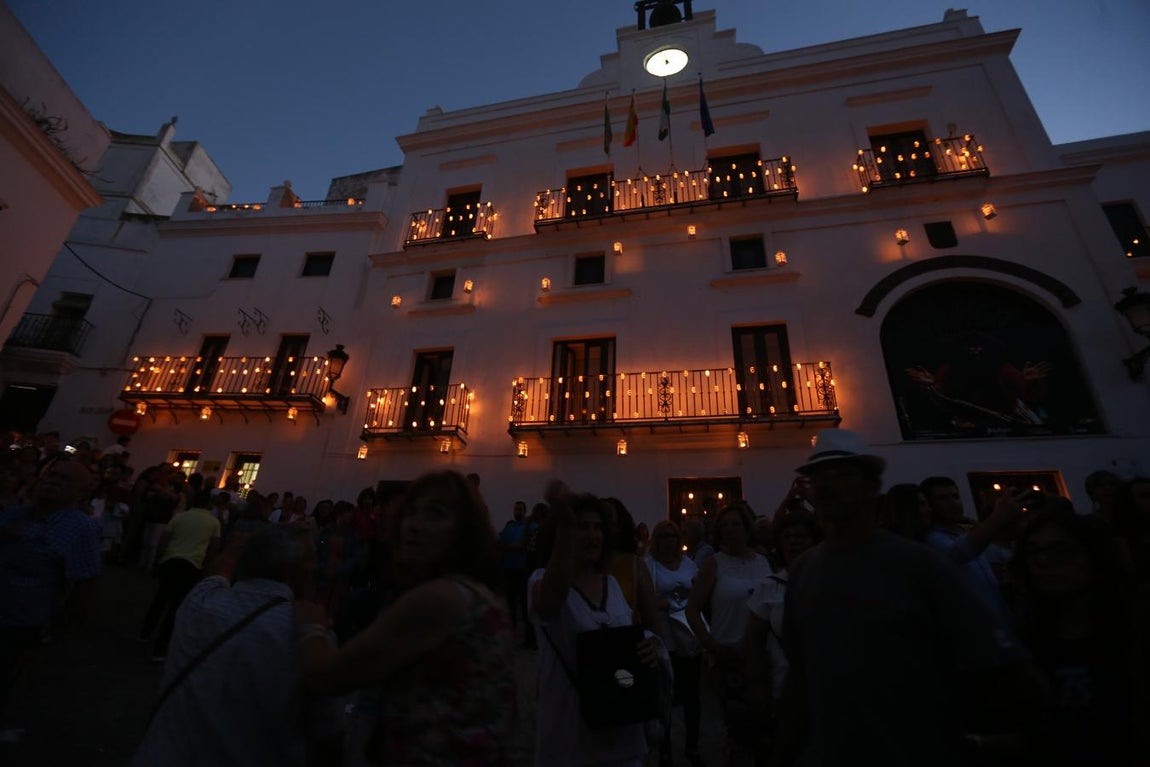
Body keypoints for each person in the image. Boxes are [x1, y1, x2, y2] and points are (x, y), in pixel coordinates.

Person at [776, 429, 1044, 766]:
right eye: (818, 476)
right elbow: (800, 676)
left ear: (872, 487)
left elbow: (1003, 667)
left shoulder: (919, 564)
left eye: (842, 474)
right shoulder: (802, 572)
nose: (827, 485)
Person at [297, 470, 516, 765]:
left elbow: (329, 677)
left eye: (435, 514)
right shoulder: (476, 593)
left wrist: (310, 626)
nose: (414, 525)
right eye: (411, 512)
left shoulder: (440, 598)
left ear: (465, 530)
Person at [133, 526, 343, 766]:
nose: (316, 567)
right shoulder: (309, 637)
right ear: (291, 571)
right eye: (312, 558)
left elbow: (219, 569)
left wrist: (236, 548)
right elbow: (328, 732)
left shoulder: (200, 601)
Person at [529, 481, 664, 767]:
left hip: (623, 732)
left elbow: (638, 632)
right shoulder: (540, 580)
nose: (592, 534)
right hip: (571, 739)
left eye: (598, 527)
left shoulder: (612, 585)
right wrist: (566, 522)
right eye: (582, 526)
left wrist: (652, 646)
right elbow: (551, 600)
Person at [1009, 507, 1142, 765]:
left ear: (1095, 557)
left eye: (1060, 549)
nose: (1044, 561)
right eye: (1034, 551)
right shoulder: (1024, 640)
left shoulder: (1136, 630)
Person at [0, 460, 100, 737]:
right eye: (51, 475)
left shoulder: (80, 528)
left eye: (65, 480)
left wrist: (54, 633)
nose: (53, 482)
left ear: (81, 492)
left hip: (21, 623)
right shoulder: (13, 514)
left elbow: (84, 584)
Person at [685, 500, 773, 766]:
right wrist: (710, 644)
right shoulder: (714, 564)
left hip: (763, 655)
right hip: (728, 655)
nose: (730, 530)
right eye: (724, 526)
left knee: (763, 727)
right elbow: (692, 610)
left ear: (747, 528)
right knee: (736, 731)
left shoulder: (763, 562)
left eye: (736, 524)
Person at [742, 511, 821, 763]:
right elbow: (753, 642)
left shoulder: (830, 580)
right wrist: (757, 688)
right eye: (787, 537)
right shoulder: (770, 586)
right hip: (783, 690)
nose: (793, 543)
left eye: (801, 537)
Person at [921, 475, 1019, 628]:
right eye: (943, 498)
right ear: (929, 505)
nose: (953, 503)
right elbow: (959, 552)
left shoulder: (967, 531)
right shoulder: (930, 538)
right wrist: (998, 517)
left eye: (955, 496)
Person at [139, 489, 221, 661]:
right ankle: (161, 647)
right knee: (176, 606)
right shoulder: (213, 522)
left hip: (170, 560)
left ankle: (146, 631)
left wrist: (158, 560)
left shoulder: (180, 517)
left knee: (160, 598)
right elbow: (213, 548)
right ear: (209, 504)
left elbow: (164, 539)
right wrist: (206, 567)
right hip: (192, 565)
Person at [646, 520, 704, 767]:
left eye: (673, 535)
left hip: (688, 635)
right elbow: (646, 598)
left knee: (692, 695)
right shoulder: (650, 567)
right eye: (664, 536)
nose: (669, 540)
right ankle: (665, 750)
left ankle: (692, 745)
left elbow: (701, 593)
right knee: (665, 696)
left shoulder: (689, 564)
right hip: (665, 637)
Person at [500, 500, 530, 640]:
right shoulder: (509, 527)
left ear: (525, 511)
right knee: (510, 603)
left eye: (520, 509)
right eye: (515, 509)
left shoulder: (529, 527)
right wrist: (515, 546)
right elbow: (502, 545)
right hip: (508, 568)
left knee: (524, 604)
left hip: (522, 569)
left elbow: (525, 545)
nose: (517, 512)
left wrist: (513, 546)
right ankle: (511, 634)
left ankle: (528, 636)